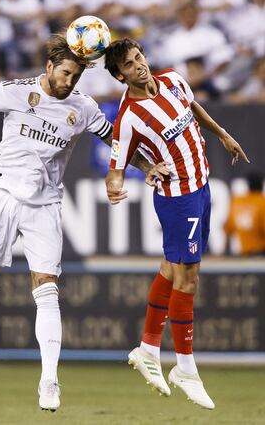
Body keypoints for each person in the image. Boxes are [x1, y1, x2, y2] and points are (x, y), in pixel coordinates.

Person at [0, 34, 168, 411]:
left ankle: (49, 380)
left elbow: (114, 142)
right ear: (50, 66)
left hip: (45, 205)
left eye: (76, 76)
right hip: (3, 198)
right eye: (66, 73)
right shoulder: (14, 92)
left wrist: (147, 167)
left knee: (47, 290)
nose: (69, 82)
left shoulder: (83, 107)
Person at [103, 38, 249, 410]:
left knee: (170, 271)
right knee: (189, 278)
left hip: (201, 188)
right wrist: (117, 188)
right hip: (177, 198)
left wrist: (223, 134)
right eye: (130, 65)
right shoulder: (129, 117)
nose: (139, 66)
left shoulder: (172, 80)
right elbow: (116, 166)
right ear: (120, 75)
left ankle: (148, 349)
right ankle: (186, 368)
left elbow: (192, 106)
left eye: (139, 57)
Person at [224, 172, 265, 256]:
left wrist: (226, 252)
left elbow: (228, 228)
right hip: (261, 252)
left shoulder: (238, 201)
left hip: (244, 254)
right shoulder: (262, 202)